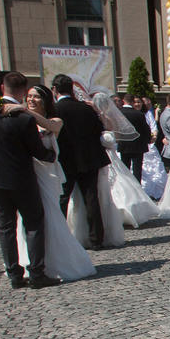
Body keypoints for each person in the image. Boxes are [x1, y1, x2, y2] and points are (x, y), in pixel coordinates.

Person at [0, 73, 62, 288]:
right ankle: (36, 273)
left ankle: (14, 275)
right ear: (24, 92)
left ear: (2, 88)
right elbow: (37, 151)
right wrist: (51, 156)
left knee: (5, 227)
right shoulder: (24, 119)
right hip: (22, 178)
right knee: (33, 223)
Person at [52, 73, 110, 249]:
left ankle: (59, 238)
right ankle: (96, 239)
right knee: (91, 198)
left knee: (62, 199)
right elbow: (100, 130)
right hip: (88, 159)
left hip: (65, 160)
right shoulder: (86, 108)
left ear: (54, 90)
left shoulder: (54, 110)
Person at [91, 93, 159, 229]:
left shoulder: (114, 115)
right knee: (132, 173)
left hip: (119, 149)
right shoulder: (132, 114)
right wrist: (147, 140)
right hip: (129, 148)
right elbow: (143, 130)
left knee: (123, 173)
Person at [118, 93, 151, 182]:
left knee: (125, 169)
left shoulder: (119, 113)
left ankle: (126, 186)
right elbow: (145, 129)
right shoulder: (139, 114)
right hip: (138, 146)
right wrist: (148, 140)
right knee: (137, 170)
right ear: (133, 102)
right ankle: (137, 187)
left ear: (123, 101)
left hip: (123, 144)